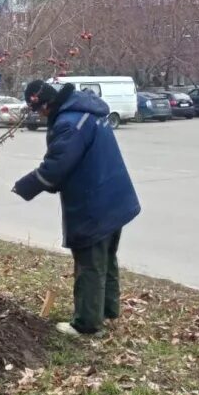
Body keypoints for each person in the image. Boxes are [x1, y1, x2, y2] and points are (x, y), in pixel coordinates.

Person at [13, 80, 141, 338]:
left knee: (89, 262)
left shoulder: (69, 124)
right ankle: (107, 310)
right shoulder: (85, 112)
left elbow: (57, 167)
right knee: (105, 257)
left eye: (38, 111)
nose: (39, 116)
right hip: (115, 197)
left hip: (94, 202)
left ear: (46, 104)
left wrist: (26, 186)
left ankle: (87, 325)